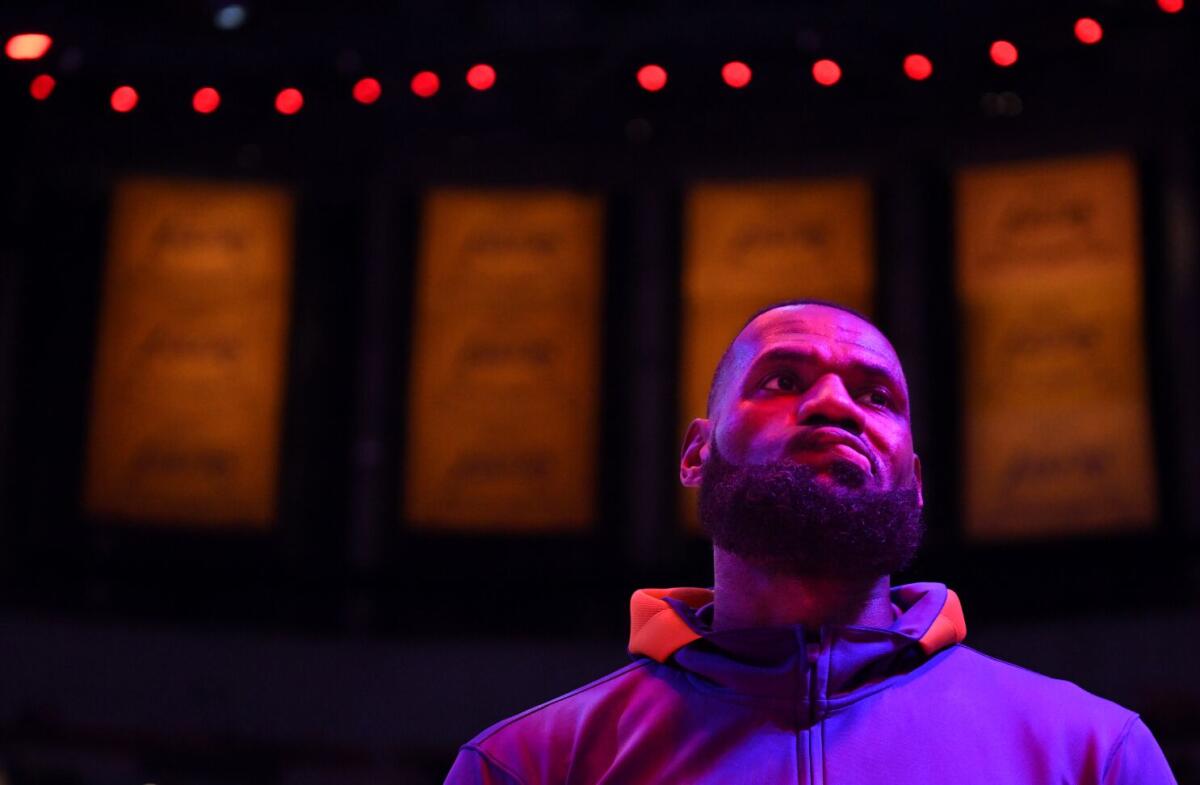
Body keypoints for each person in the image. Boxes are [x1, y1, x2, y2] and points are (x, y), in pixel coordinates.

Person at [444, 299, 1177, 785]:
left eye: (876, 395)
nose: (832, 404)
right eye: (783, 378)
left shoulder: (1091, 753)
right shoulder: (525, 766)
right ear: (696, 454)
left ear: (915, 479)